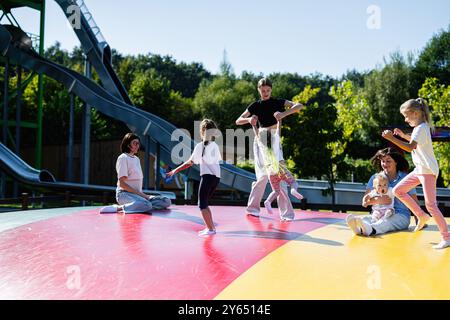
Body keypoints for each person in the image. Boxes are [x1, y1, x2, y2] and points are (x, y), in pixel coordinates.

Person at [382, 98, 450, 249]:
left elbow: (410, 147)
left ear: (415, 113)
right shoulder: (420, 128)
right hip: (419, 170)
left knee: (431, 205)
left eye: (406, 116)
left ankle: (446, 237)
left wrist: (392, 138)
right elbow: (414, 142)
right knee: (398, 191)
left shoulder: (421, 128)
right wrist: (402, 136)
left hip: (426, 171)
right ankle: (421, 215)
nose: (405, 120)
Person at [235, 77, 304, 220]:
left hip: (273, 138)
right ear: (259, 90)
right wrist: (249, 120)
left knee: (279, 174)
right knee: (262, 176)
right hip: (260, 139)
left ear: (271, 90)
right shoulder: (255, 105)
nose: (265, 92)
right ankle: (252, 208)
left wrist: (283, 114)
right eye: (263, 90)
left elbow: (299, 105)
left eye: (268, 90)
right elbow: (238, 120)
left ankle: (286, 214)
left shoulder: (278, 102)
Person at [346, 147, 420, 237]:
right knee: (367, 218)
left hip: (401, 216)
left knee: (387, 221)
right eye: (383, 161)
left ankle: (370, 229)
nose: (385, 164)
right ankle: (358, 229)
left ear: (396, 162)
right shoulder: (375, 178)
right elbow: (365, 201)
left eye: (388, 161)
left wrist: (419, 220)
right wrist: (379, 200)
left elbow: (414, 201)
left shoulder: (406, 178)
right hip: (379, 212)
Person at [167, 119, 221, 236]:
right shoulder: (215, 146)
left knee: (201, 204)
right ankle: (210, 227)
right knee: (205, 203)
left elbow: (189, 162)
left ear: (202, 131)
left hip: (207, 177)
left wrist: (175, 170)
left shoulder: (201, 146)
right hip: (216, 178)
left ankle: (210, 229)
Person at [99, 133, 171, 214]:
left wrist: (144, 196)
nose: (137, 145)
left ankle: (139, 205)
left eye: (138, 143)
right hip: (124, 195)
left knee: (166, 201)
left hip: (138, 196)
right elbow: (122, 184)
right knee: (146, 204)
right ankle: (119, 208)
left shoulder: (136, 159)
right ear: (128, 144)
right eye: (134, 143)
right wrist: (144, 196)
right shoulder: (123, 158)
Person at [251, 121, 303, 215]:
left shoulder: (261, 145)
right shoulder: (275, 140)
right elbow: (278, 129)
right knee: (293, 182)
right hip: (280, 169)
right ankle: (293, 190)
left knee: (276, 191)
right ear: (270, 135)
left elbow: (257, 135)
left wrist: (254, 125)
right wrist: (279, 120)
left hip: (270, 172)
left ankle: (268, 201)